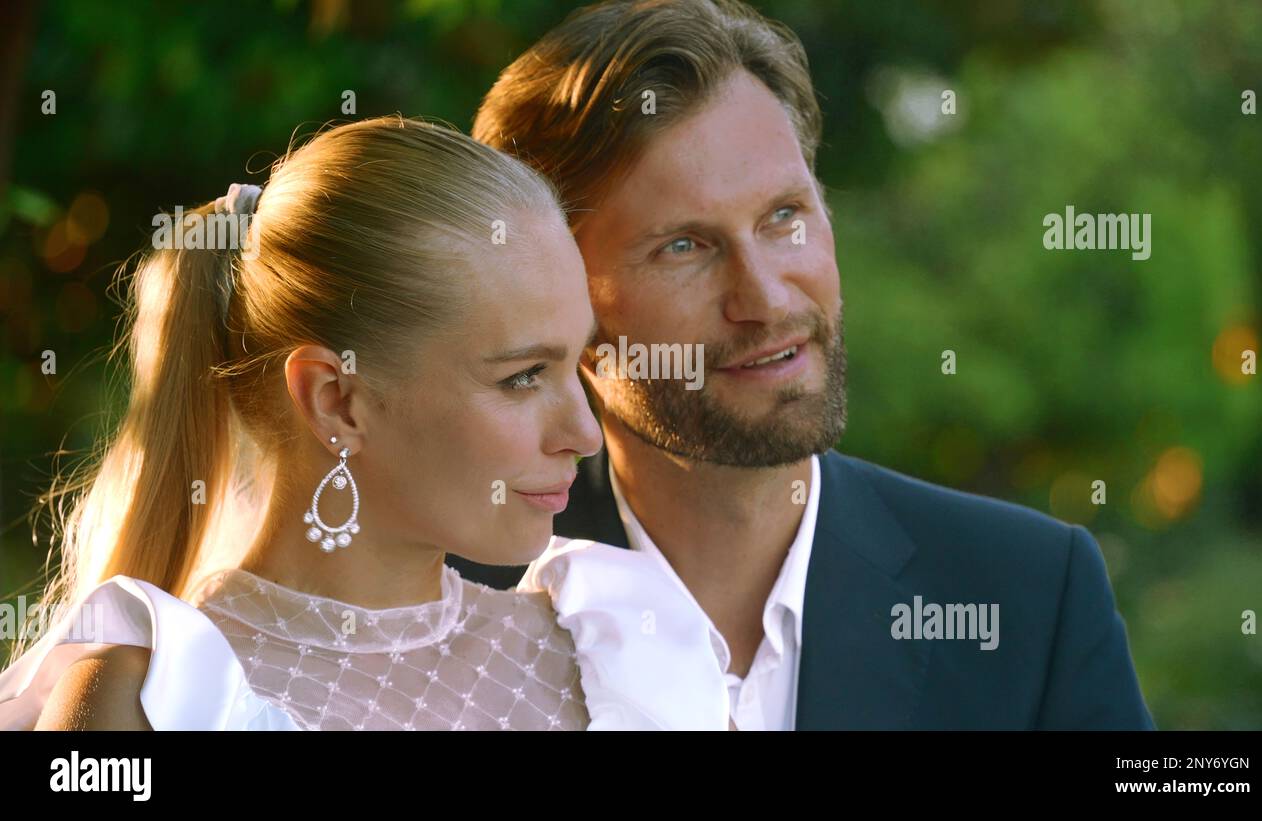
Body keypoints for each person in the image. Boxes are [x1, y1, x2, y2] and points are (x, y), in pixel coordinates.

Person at [451, 0, 1156, 730]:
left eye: (784, 216)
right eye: (683, 247)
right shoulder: (439, 613)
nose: (764, 298)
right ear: (554, 305)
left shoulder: (1029, 597)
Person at [0, 116, 730, 731]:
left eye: (575, 363)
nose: (584, 432)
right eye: (522, 377)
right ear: (336, 401)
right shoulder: (152, 700)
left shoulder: (629, 652)